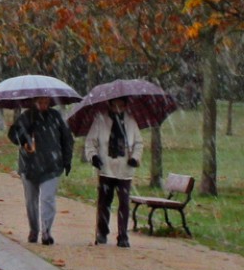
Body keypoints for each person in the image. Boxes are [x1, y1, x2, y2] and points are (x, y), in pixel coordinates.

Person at [8, 96, 74, 246]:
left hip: (52, 165)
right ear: (34, 102)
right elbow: (13, 136)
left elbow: (67, 139)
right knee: (31, 201)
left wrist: (67, 160)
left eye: (46, 102)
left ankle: (46, 231)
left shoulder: (56, 117)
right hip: (29, 166)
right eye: (40, 102)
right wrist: (25, 133)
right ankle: (34, 229)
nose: (43, 105)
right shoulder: (26, 117)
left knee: (47, 199)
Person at [84, 96, 143, 248]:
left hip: (125, 169)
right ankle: (102, 232)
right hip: (106, 168)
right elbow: (90, 142)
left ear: (125, 106)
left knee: (124, 202)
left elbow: (138, 143)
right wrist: (93, 156)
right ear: (109, 105)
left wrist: (135, 158)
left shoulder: (130, 121)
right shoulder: (100, 120)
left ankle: (123, 236)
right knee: (104, 202)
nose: (118, 109)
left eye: (121, 106)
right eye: (115, 105)